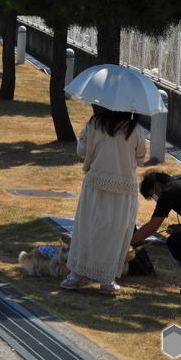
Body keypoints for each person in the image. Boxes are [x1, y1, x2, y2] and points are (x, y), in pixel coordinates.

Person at [61, 105, 147, 295]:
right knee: (117, 231)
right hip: (124, 187)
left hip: (95, 183)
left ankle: (74, 276)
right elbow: (140, 160)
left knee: (86, 226)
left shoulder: (94, 123)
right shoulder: (135, 130)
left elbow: (81, 151)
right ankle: (107, 280)